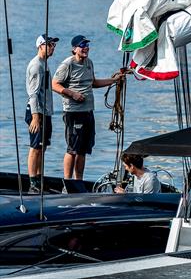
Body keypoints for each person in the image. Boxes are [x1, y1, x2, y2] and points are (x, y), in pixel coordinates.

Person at [52, 35, 122, 180]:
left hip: (88, 112)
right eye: (82, 45)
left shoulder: (89, 63)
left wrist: (113, 80)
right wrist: (72, 94)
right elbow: (54, 84)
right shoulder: (67, 65)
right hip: (73, 112)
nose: (85, 48)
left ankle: (79, 181)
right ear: (74, 49)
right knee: (72, 149)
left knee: (83, 150)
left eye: (87, 45)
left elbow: (93, 83)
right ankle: (67, 182)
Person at [25, 34, 59, 193]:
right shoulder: (36, 65)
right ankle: (33, 183)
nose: (53, 48)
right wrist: (35, 117)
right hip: (36, 112)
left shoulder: (44, 64)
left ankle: (39, 178)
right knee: (35, 147)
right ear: (40, 46)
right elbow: (33, 93)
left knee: (43, 146)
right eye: (50, 45)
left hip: (45, 111)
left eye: (53, 45)